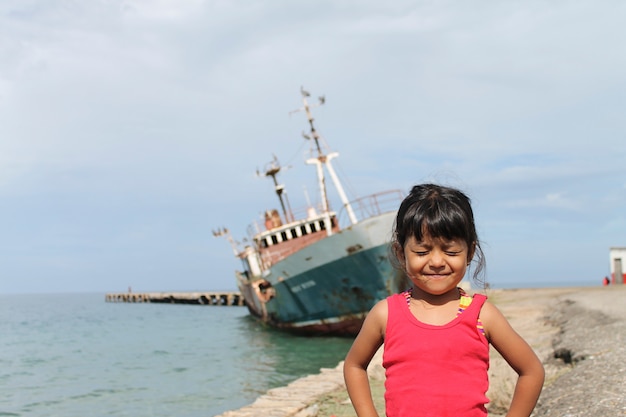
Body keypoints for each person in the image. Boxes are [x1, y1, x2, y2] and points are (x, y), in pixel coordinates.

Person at [343, 184, 545, 417]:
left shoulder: (482, 315)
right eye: (421, 252)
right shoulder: (386, 314)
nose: (437, 261)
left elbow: (531, 371)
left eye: (450, 252)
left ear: (469, 253)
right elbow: (354, 365)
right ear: (401, 253)